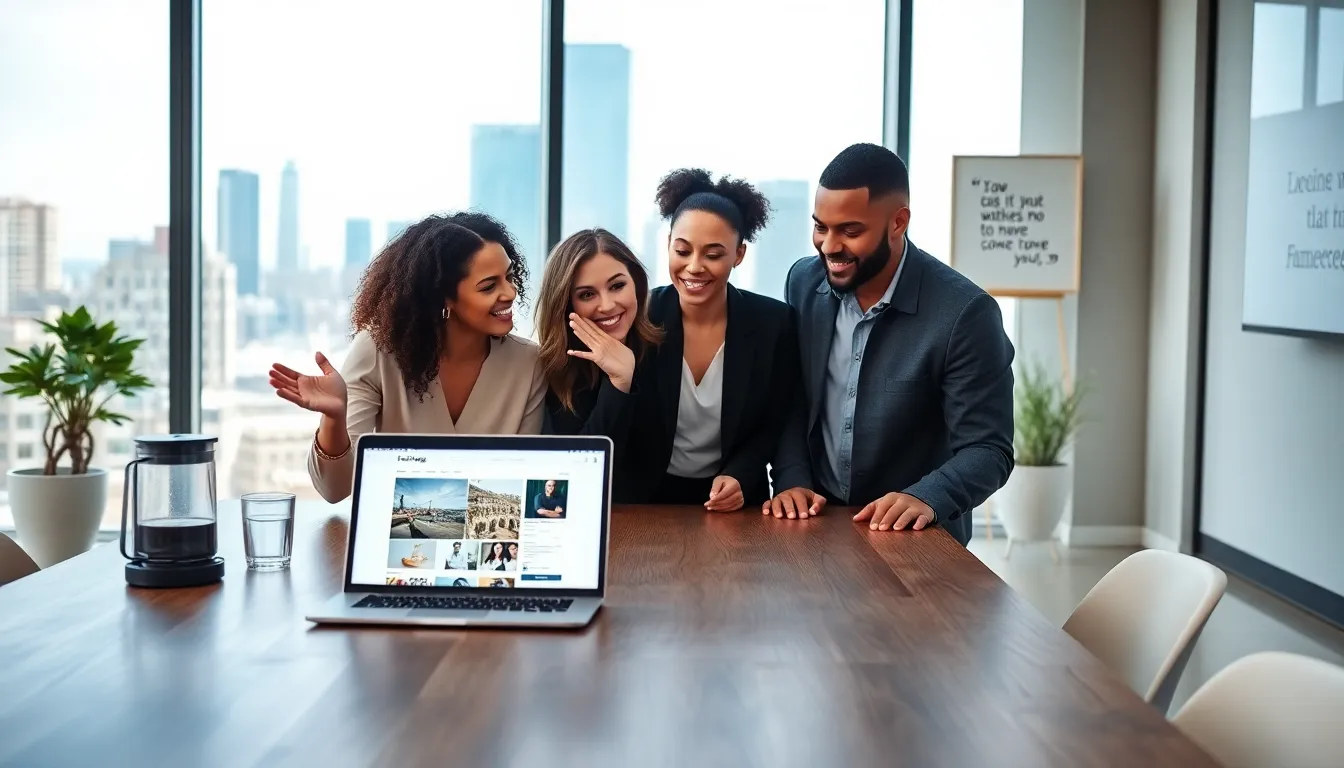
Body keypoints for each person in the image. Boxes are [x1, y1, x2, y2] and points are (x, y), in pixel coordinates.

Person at [766, 143, 1015, 546]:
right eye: (820, 227)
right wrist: (791, 478)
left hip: (915, 538)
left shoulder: (966, 314)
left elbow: (988, 449)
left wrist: (925, 497)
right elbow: (795, 400)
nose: (829, 246)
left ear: (898, 223)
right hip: (815, 526)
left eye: (850, 231)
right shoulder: (803, 283)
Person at [268, 212, 548, 503]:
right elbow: (335, 490)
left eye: (510, 276)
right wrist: (334, 418)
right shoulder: (377, 353)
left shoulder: (529, 364)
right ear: (443, 297)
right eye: (489, 286)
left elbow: (521, 481)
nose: (511, 292)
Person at [641, 168, 801, 511]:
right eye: (682, 251)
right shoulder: (639, 318)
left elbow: (776, 421)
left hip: (738, 504)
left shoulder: (774, 323)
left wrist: (742, 475)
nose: (695, 267)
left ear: (739, 255)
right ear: (669, 244)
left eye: (713, 254)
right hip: (644, 503)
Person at [536, 229, 662, 501]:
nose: (607, 305)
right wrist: (619, 383)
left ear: (636, 283)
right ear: (566, 303)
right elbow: (581, 476)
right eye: (587, 295)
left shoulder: (663, 346)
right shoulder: (554, 368)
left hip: (663, 519)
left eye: (617, 286)